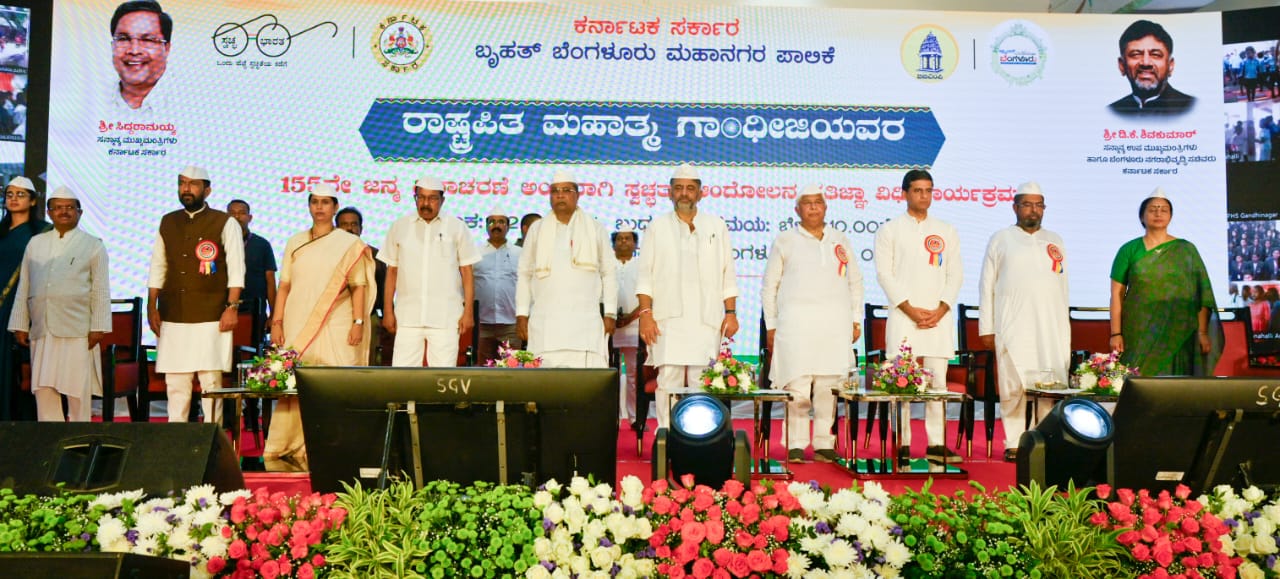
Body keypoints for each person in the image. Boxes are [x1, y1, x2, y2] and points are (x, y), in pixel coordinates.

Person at [264, 184, 374, 462]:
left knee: (336, 383)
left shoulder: (348, 244)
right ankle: (290, 447)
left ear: (335, 207)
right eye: (315, 202)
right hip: (297, 319)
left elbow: (359, 286)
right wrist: (277, 321)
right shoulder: (295, 241)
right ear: (309, 205)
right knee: (296, 384)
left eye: (326, 202)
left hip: (338, 322)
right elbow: (285, 285)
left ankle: (337, 445)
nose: (320, 207)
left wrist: (358, 321)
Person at [762, 184, 863, 464]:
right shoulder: (784, 240)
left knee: (828, 385)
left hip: (834, 326)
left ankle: (823, 443)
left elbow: (855, 281)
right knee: (797, 386)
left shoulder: (840, 239)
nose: (814, 207)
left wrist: (856, 319)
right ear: (797, 210)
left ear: (826, 207)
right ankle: (795, 444)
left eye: (818, 202)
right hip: (795, 326)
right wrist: (771, 325)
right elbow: (769, 286)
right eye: (807, 203)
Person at [636, 164, 738, 429]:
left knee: (701, 383)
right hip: (667, 320)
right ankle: (665, 439)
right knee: (667, 381)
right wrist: (646, 315)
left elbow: (728, 273)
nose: (684, 194)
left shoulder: (716, 225)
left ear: (700, 194)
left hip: (706, 320)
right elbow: (645, 275)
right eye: (679, 188)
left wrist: (731, 313)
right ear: (670, 192)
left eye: (690, 188)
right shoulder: (657, 227)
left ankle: (697, 438)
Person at [874, 169, 963, 465]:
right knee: (901, 383)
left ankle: (936, 444)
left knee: (938, 383)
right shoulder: (889, 230)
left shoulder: (947, 230)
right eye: (917, 191)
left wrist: (940, 308)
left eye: (928, 190)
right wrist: (910, 310)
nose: (924, 196)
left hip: (938, 318)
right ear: (904, 193)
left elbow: (955, 274)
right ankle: (903, 443)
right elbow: (885, 275)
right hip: (903, 317)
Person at [977, 182, 1071, 462]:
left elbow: (1062, 286)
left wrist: (1064, 328)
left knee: (1049, 385)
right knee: (1013, 384)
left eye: (1039, 205)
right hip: (1012, 325)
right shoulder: (1001, 238)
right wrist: (987, 328)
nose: (1034, 210)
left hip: (1050, 327)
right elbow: (986, 286)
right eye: (1027, 204)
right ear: (1015, 207)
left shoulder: (1055, 240)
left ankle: (1045, 441)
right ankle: (1015, 442)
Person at [147, 165, 245, 423]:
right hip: (173, 312)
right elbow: (158, 265)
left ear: (207, 189)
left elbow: (237, 269)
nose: (186, 189)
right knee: (176, 383)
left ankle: (212, 442)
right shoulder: (168, 221)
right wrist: (152, 306)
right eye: (182, 183)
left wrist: (232, 307)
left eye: (193, 184)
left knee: (210, 382)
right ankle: (175, 441)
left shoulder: (225, 223)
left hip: (211, 314)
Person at [7, 187, 110, 422]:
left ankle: (80, 438)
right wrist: (20, 324)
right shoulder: (36, 243)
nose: (64, 212)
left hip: (77, 329)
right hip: (42, 329)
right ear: (49, 212)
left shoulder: (93, 244)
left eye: (69, 208)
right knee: (43, 388)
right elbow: (25, 285)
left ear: (80, 212)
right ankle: (49, 439)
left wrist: (99, 327)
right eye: (58, 208)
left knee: (77, 390)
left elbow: (101, 289)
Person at [1109, 189, 1219, 376]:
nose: (1158, 213)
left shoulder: (1187, 250)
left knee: (1177, 387)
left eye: (1164, 209)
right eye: (1152, 209)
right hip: (1139, 330)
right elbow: (1116, 296)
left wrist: (1202, 332)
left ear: (1170, 216)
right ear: (1142, 217)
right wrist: (1115, 333)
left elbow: (1202, 294)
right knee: (1138, 382)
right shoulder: (1128, 250)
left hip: (1179, 331)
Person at [516, 170, 616, 368]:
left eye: (566, 190)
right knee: (545, 388)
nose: (560, 195)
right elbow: (524, 274)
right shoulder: (537, 230)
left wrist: (610, 313)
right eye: (555, 191)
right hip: (545, 324)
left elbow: (609, 273)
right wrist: (521, 314)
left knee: (586, 388)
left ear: (577, 195)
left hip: (585, 325)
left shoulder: (595, 228)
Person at [380, 176, 479, 367]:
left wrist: (468, 312)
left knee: (441, 378)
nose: (426, 203)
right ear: (415, 198)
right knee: (403, 375)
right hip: (407, 315)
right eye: (421, 197)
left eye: (432, 198)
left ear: (442, 200)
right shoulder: (399, 227)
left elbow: (467, 272)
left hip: (446, 316)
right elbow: (391, 272)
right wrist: (387, 311)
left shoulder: (457, 227)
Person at [0, 176, 49, 420]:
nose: (14, 199)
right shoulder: (0, 231)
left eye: (20, 194)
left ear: (32, 201)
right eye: (10, 194)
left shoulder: (42, 232)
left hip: (25, 307)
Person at [337, 206, 390, 365]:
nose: (349, 228)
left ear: (361, 228)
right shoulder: (329, 255)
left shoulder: (374, 255)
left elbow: (384, 289)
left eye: (354, 224)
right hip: (337, 318)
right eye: (344, 224)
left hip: (369, 317)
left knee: (366, 362)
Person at [1108, 19, 1194, 115]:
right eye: (1136, 54)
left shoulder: (1191, 108)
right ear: (1122, 65)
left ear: (1170, 65)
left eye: (1155, 55)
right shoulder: (1112, 111)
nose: (1146, 63)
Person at [473, 206, 521, 363]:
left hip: (511, 324)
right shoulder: (474, 253)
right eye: (492, 222)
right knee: (481, 370)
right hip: (481, 324)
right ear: (486, 226)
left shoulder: (520, 253)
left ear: (508, 226)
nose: (496, 225)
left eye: (501, 222)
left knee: (511, 369)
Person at [109, 1, 171, 115]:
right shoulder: (91, 103)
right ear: (113, 46)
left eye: (148, 40)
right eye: (123, 39)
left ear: (166, 48)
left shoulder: (192, 104)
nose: (134, 50)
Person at [612, 226, 641, 422]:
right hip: (610, 326)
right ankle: (611, 416)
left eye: (628, 238)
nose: (623, 242)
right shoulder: (606, 265)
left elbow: (649, 296)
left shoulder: (642, 266)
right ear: (613, 244)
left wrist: (631, 317)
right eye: (619, 239)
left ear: (635, 243)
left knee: (633, 375)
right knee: (609, 376)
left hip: (635, 325)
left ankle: (633, 417)